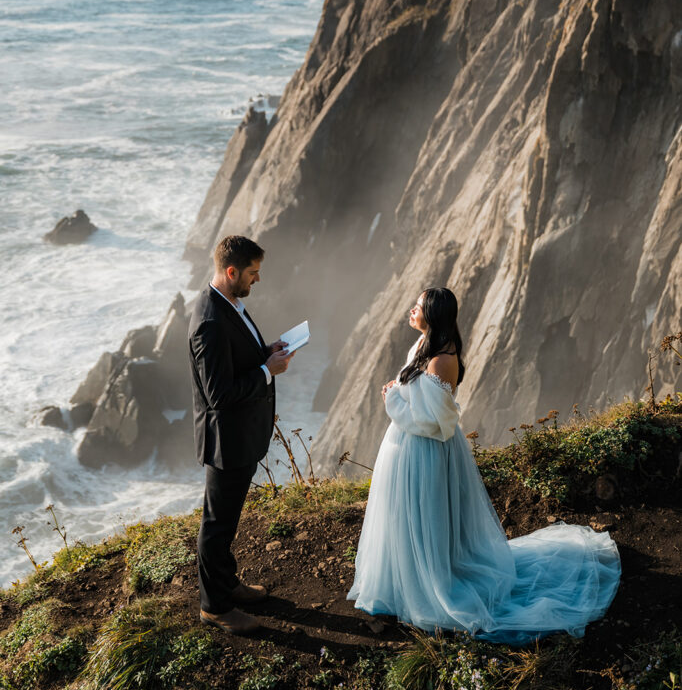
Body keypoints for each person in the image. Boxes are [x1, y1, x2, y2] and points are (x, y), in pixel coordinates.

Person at [347, 287, 621, 642]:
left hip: (424, 452)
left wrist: (392, 400)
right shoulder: (425, 346)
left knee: (423, 518)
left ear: (433, 313)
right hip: (406, 448)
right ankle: (404, 581)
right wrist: (399, 391)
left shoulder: (442, 359)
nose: (411, 310)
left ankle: (427, 585)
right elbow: (418, 397)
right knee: (405, 517)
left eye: (417, 306)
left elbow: (437, 424)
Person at [189, 234, 293, 635]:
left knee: (227, 519)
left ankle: (227, 582)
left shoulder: (229, 303)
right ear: (231, 272)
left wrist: (266, 352)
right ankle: (214, 606)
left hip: (239, 436)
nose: (257, 280)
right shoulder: (210, 322)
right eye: (252, 273)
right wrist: (268, 371)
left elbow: (236, 360)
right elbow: (219, 394)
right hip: (225, 440)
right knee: (216, 524)